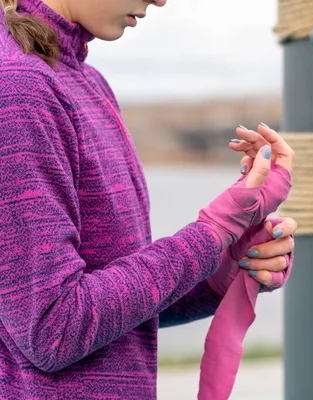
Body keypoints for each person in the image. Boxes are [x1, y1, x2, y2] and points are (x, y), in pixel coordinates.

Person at [0, 0, 297, 398]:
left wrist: (220, 271)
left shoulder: (86, 82)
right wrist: (211, 232)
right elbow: (53, 329)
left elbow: (116, 313)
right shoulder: (19, 89)